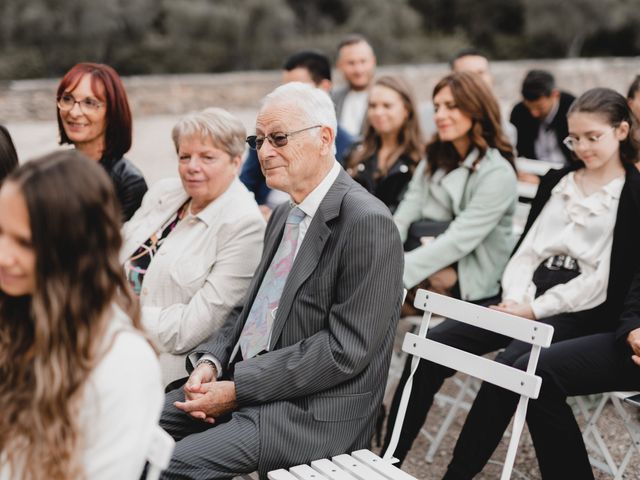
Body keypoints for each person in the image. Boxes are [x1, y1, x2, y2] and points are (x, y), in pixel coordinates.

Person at [157, 82, 404, 479]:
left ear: (325, 138)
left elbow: (345, 349)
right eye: (259, 140)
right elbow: (249, 308)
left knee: (172, 465)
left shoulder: (367, 222)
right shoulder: (287, 214)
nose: (265, 151)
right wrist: (212, 361)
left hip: (313, 411)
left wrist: (238, 389)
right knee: (134, 430)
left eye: (279, 138)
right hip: (252, 384)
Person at [441, 87, 640, 479]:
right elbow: (527, 248)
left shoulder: (631, 192)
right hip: (540, 295)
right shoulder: (563, 181)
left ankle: (457, 474)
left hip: (587, 311)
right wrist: (517, 298)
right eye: (574, 138)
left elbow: (609, 278)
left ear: (621, 131)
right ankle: (441, 468)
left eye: (591, 137)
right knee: (504, 359)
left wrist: (532, 310)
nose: (581, 147)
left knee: (525, 366)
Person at [0, 150, 163, 479]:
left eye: (25, 242)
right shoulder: (15, 313)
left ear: (74, 251)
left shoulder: (122, 363)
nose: (3, 255)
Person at [382, 71, 517, 461]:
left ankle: (390, 455)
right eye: (438, 106)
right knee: (365, 313)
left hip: (477, 287)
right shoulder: (434, 159)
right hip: (428, 277)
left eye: (452, 107)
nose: (440, 114)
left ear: (477, 111)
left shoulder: (497, 172)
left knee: (420, 350)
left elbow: (461, 239)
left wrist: (393, 275)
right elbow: (403, 216)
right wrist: (376, 258)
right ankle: (356, 422)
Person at [122, 108, 265, 387]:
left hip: (160, 373)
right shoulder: (164, 192)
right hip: (110, 344)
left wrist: (111, 313)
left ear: (236, 162)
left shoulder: (245, 226)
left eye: (207, 157)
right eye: (184, 156)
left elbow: (191, 328)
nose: (192, 166)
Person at [240, 50, 356, 216]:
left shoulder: (348, 145)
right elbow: (246, 183)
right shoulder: (264, 134)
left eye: (280, 138)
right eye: (284, 88)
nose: (265, 152)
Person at [56, 62, 147, 221]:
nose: (74, 112)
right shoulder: (54, 168)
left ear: (112, 112)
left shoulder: (129, 183)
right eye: (67, 99)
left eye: (90, 103)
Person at [345, 75, 423, 211]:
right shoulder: (355, 153)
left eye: (387, 106)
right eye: (373, 106)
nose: (378, 112)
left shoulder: (421, 158)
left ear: (406, 110)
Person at [419, 48, 517, 147]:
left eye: (480, 73)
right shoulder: (424, 119)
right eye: (466, 75)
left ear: (491, 77)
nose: (475, 80)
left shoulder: (506, 131)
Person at [510, 69, 576, 167]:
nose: (534, 113)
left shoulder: (573, 109)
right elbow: (515, 149)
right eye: (529, 108)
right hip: (533, 170)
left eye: (540, 108)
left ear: (555, 95)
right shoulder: (519, 112)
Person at [332, 34, 377, 138]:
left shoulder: (389, 99)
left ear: (373, 62)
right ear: (339, 66)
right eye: (351, 63)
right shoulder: (331, 99)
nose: (358, 70)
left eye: (363, 61)